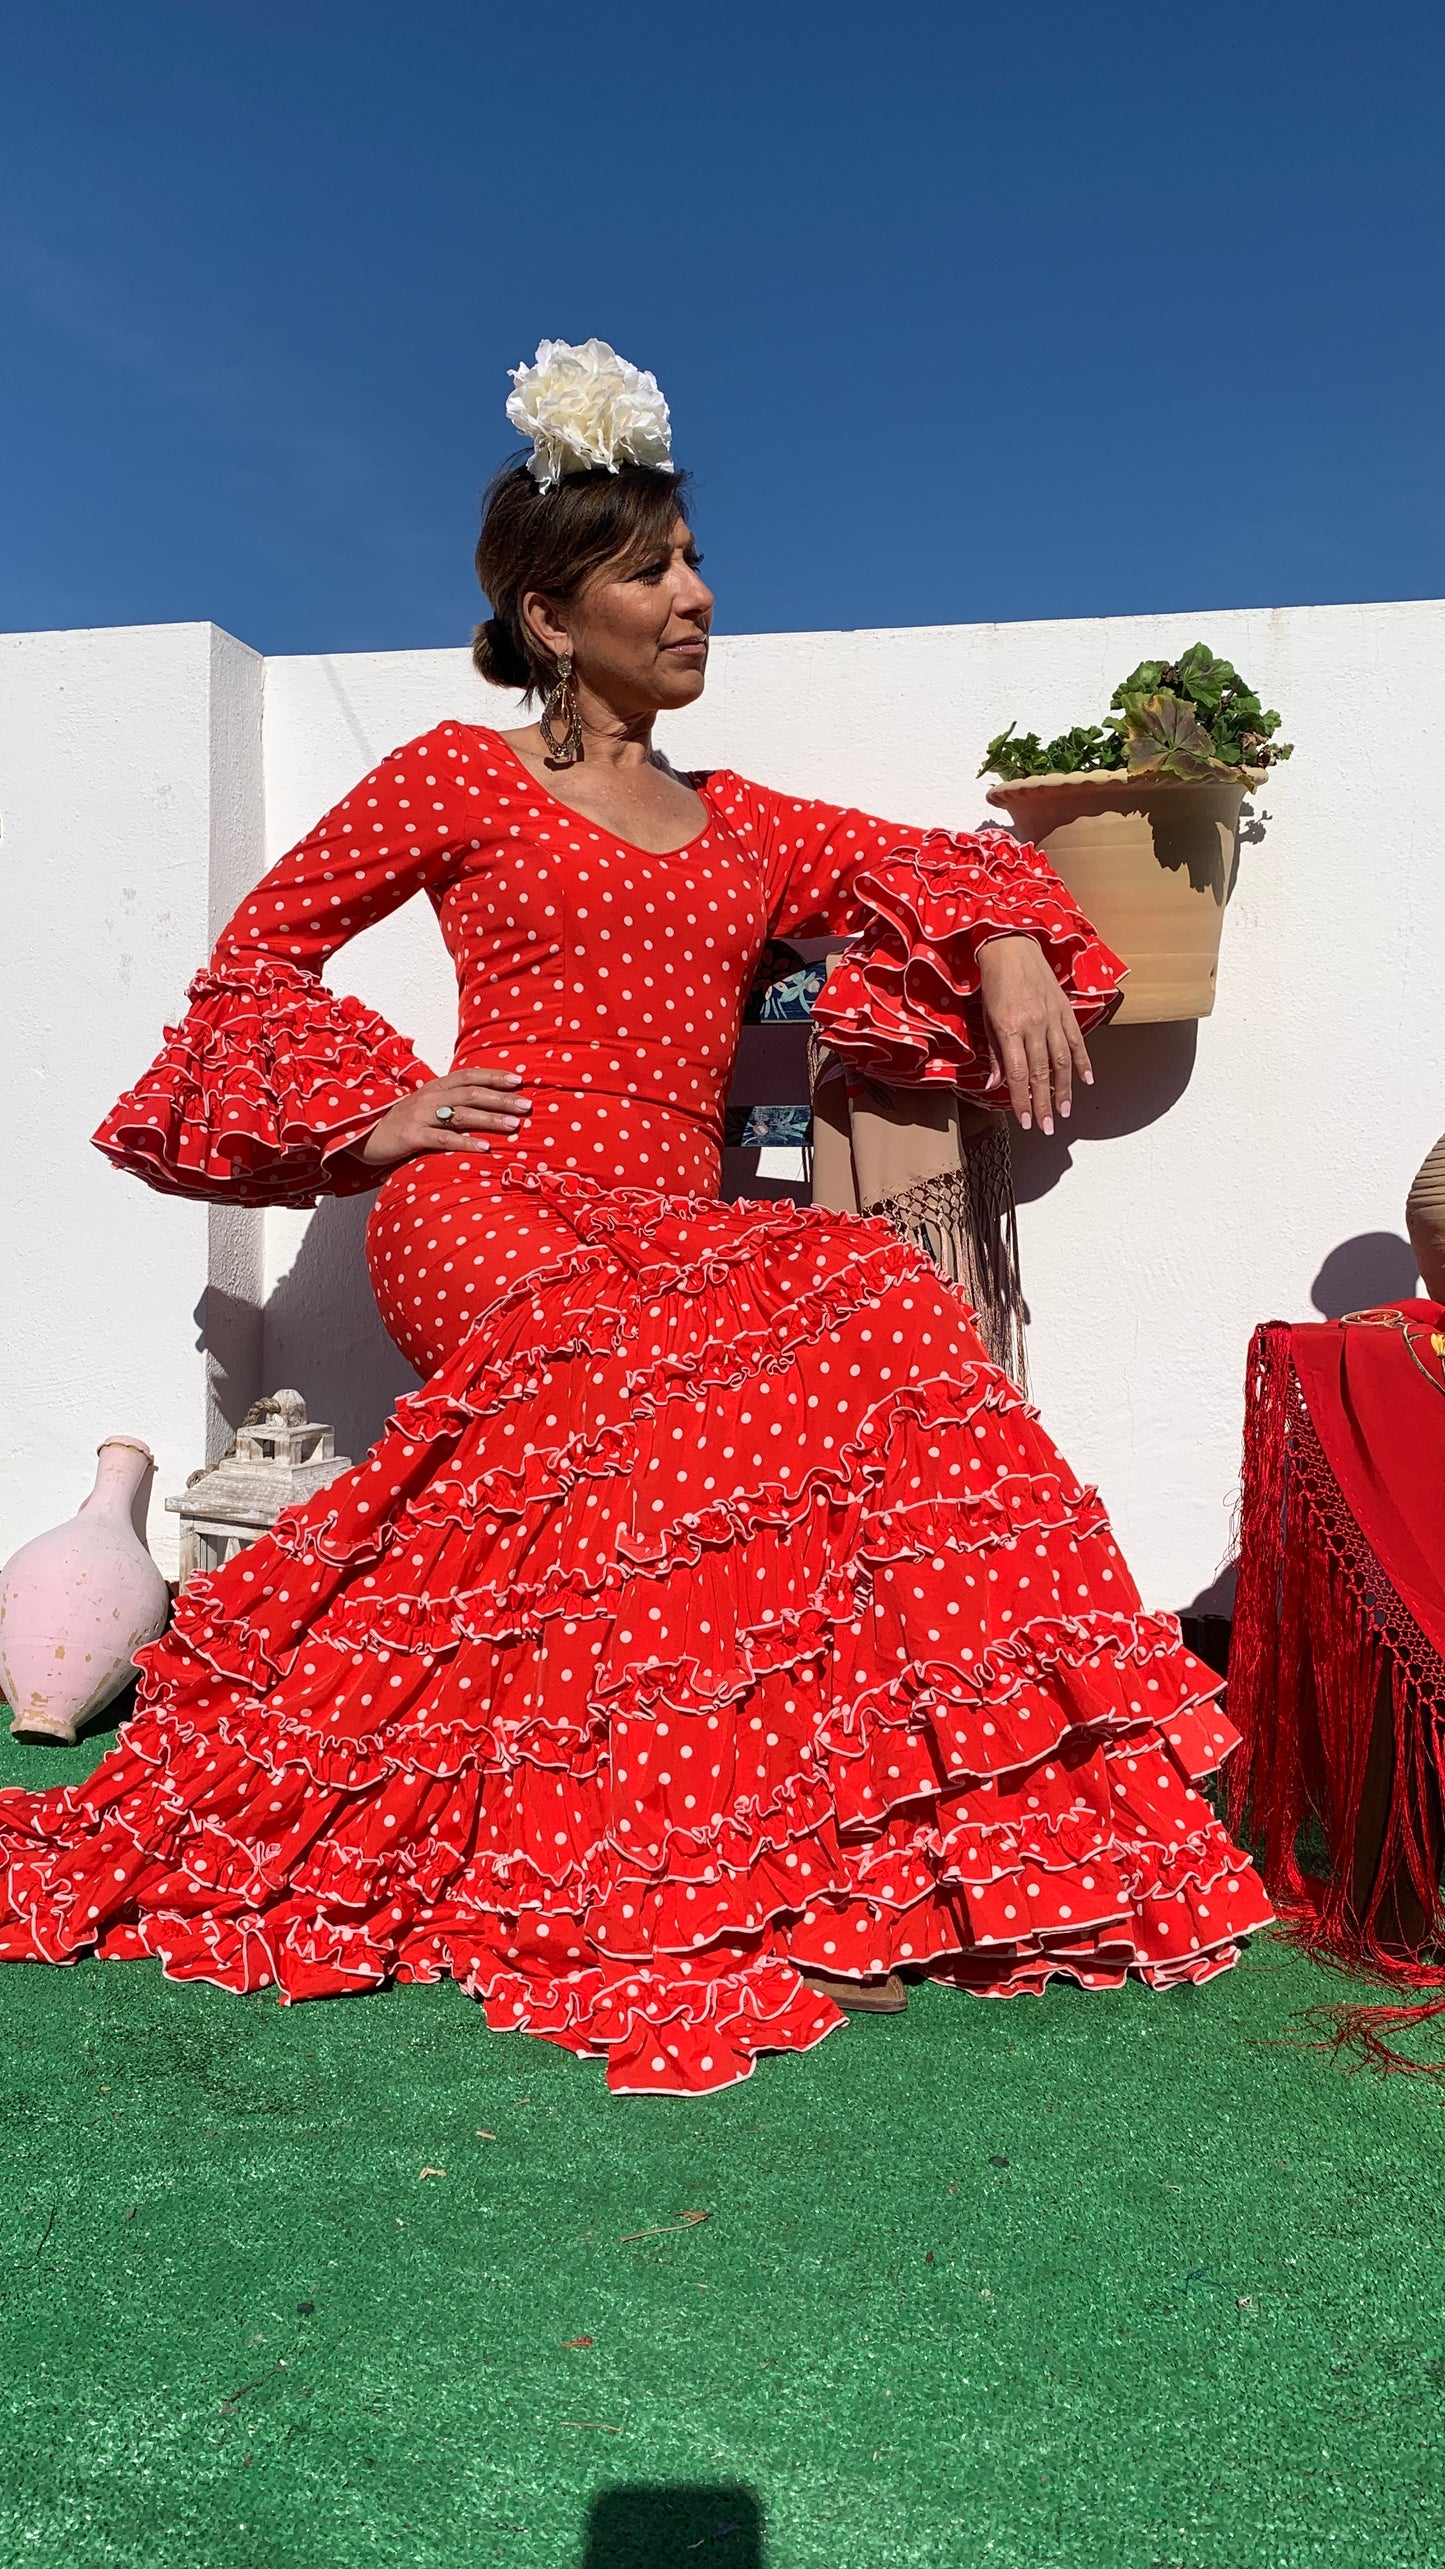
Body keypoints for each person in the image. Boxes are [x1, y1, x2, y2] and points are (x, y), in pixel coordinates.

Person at [0, 341, 1270, 2094]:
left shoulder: (743, 824)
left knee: (870, 1296)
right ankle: (652, 1872)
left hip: (670, 1217)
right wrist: (377, 1120)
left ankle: (801, 1841)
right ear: (546, 614)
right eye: (651, 568)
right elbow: (259, 951)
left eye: (690, 559)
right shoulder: (457, 777)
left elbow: (933, 856)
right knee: (623, 1380)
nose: (697, 595)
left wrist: (990, 934)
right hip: (489, 1197)